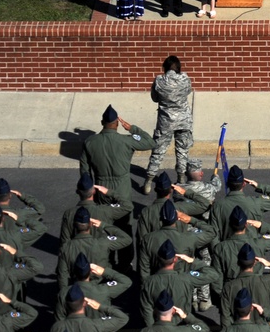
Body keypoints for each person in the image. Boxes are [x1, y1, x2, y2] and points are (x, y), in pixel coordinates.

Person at [79, 104, 154, 270]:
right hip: (122, 188)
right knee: (124, 225)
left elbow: (84, 171)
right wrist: (133, 128)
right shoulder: (125, 141)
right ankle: (125, 262)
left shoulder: (90, 142)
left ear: (101, 122)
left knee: (103, 223)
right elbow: (150, 142)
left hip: (100, 186)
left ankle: (105, 260)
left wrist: (89, 192)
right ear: (117, 123)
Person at [144, 55, 194, 193]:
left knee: (158, 151)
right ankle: (181, 178)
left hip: (165, 122)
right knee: (182, 150)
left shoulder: (159, 80)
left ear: (164, 67)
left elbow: (154, 98)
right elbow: (188, 91)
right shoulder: (184, 78)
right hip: (184, 121)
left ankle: (149, 180)